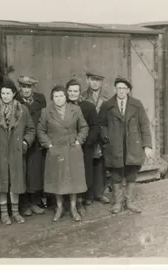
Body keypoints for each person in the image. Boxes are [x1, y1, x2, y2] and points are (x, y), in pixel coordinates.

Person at [0, 80, 36, 225]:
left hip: (16, 152)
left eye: (8, 93)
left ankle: (16, 212)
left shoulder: (22, 110)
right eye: (3, 93)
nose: (5, 96)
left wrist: (24, 143)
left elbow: (31, 129)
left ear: (13, 94)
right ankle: (5, 213)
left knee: (15, 182)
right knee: (1, 181)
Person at [99, 77, 153, 214]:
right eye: (118, 88)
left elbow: (145, 125)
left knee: (131, 174)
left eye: (124, 88)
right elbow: (102, 124)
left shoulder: (137, 104)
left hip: (132, 146)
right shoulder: (107, 105)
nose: (121, 91)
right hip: (114, 146)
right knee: (116, 174)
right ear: (115, 89)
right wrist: (106, 137)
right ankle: (117, 203)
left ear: (128, 90)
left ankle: (129, 202)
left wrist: (147, 146)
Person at [37, 85, 89, 222]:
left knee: (73, 181)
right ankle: (59, 208)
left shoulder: (75, 109)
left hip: (72, 150)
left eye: (61, 96)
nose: (58, 99)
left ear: (65, 97)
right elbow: (40, 130)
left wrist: (78, 141)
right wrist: (49, 145)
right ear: (52, 98)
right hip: (56, 151)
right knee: (57, 180)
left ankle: (73, 208)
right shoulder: (46, 111)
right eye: (55, 96)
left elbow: (84, 127)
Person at [66, 79, 100, 215]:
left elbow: (95, 126)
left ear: (80, 92)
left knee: (84, 172)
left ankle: (82, 199)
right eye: (70, 91)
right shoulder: (62, 106)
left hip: (84, 146)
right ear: (66, 92)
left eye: (76, 91)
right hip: (67, 146)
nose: (73, 94)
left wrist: (87, 142)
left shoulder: (88, 107)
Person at [16, 76, 47, 216]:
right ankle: (24, 205)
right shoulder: (15, 100)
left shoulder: (40, 99)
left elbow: (44, 119)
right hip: (22, 141)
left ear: (33, 87)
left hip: (36, 142)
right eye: (23, 87)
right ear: (20, 87)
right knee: (22, 173)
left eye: (29, 87)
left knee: (35, 173)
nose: (26, 90)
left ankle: (35, 202)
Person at [81, 71, 111, 204]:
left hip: (102, 134)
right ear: (87, 80)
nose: (95, 83)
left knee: (100, 164)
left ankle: (99, 193)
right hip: (88, 134)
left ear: (101, 82)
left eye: (98, 80)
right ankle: (88, 194)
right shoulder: (82, 96)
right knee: (88, 163)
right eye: (92, 80)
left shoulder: (107, 97)